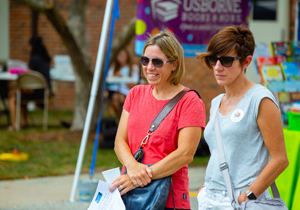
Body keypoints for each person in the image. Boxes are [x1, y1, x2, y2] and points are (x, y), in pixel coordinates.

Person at [109, 29, 206, 210]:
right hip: (129, 193)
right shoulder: (135, 93)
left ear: (174, 64)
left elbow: (185, 153)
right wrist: (132, 167)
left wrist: (137, 177)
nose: (149, 67)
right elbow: (120, 141)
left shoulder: (190, 101)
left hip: (168, 198)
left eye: (157, 62)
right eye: (145, 60)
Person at [196, 25, 289, 209]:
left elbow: (280, 159)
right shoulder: (216, 102)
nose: (218, 67)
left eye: (227, 61)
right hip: (209, 198)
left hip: (241, 200)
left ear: (246, 62)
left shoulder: (260, 99)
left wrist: (248, 195)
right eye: (214, 60)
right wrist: (207, 189)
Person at [8, 36, 52, 131]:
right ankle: (25, 122)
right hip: (45, 91)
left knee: (13, 97)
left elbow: (28, 74)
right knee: (20, 95)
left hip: (35, 91)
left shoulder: (34, 59)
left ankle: (15, 125)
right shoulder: (46, 59)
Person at [106, 48, 140, 117]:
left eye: (122, 55)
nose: (120, 57)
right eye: (119, 55)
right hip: (112, 90)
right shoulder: (113, 68)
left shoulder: (133, 68)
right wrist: (115, 76)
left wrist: (123, 78)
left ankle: (121, 119)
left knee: (116, 99)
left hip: (125, 92)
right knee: (106, 95)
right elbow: (108, 80)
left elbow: (134, 85)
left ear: (127, 56)